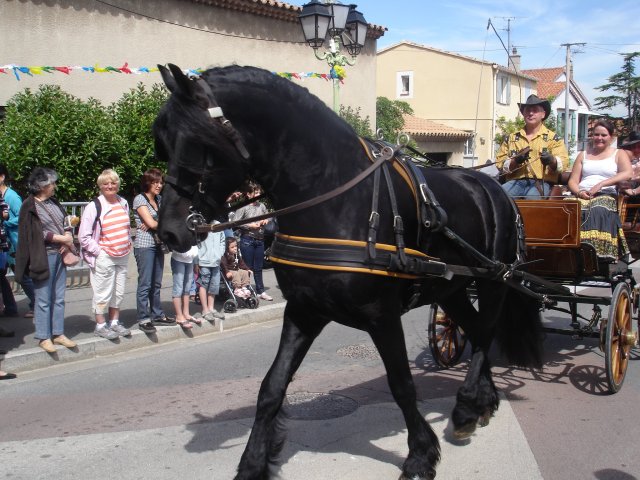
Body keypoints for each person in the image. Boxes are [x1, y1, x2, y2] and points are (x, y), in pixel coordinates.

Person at [15, 167, 77, 353]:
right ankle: (43, 336)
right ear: (41, 186)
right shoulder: (29, 205)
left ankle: (58, 334)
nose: (54, 186)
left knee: (59, 298)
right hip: (43, 256)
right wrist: (60, 239)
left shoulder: (53, 202)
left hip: (59, 254)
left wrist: (68, 233)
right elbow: (32, 233)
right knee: (43, 299)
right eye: (52, 183)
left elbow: (64, 221)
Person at [567, 119, 632, 261]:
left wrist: (602, 184)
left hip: (605, 194)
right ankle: (567, 251)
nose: (599, 138)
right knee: (567, 208)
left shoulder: (618, 153)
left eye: (604, 135)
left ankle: (596, 253)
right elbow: (573, 180)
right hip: (582, 193)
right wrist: (578, 192)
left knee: (597, 209)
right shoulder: (583, 154)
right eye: (596, 135)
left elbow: (627, 173)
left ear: (611, 137)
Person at [78, 169, 132, 340]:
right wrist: (99, 251)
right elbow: (83, 236)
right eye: (106, 183)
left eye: (113, 182)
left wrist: (127, 243)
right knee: (102, 292)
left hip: (122, 254)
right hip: (105, 256)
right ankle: (100, 325)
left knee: (119, 292)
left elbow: (126, 227)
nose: (110, 186)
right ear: (100, 186)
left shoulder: (123, 202)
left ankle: (115, 323)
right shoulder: (94, 206)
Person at [496, 94, 569, 198]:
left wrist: (551, 160)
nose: (530, 113)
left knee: (532, 199)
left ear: (543, 114)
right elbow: (499, 164)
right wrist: (515, 161)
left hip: (542, 182)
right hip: (515, 182)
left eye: (535, 110)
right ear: (523, 113)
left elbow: (564, 164)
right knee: (498, 196)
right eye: (527, 110)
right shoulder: (511, 138)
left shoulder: (554, 139)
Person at [133, 168, 174, 334]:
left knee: (156, 283)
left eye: (160, 182)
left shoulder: (160, 199)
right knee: (145, 283)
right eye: (155, 182)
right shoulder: (139, 199)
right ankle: (144, 318)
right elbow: (153, 223)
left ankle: (157, 314)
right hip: (144, 245)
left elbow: (168, 217)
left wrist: (155, 221)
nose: (159, 185)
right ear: (147, 183)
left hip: (158, 244)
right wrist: (155, 221)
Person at [0, 163, 35, 318]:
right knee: (1, 277)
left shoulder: (11, 196)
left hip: (14, 243)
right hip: (4, 243)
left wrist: (4, 223)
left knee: (22, 276)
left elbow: (23, 216)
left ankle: (37, 304)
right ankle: (10, 307)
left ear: (2, 177)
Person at [233, 181, 273, 301]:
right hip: (247, 239)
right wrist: (250, 225)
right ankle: (247, 289)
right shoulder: (243, 207)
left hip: (260, 239)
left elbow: (269, 215)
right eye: (256, 193)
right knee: (248, 267)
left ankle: (261, 291)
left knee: (259, 267)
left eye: (259, 192)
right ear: (249, 194)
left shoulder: (262, 206)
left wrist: (266, 220)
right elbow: (235, 222)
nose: (258, 195)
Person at [194, 225, 226, 323]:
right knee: (204, 284)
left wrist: (220, 254)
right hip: (204, 261)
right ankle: (205, 310)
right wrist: (196, 261)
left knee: (214, 285)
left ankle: (211, 307)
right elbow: (196, 243)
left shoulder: (218, 224)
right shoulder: (200, 223)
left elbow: (222, 241)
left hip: (216, 261)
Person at [170, 245, 200, 329]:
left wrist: (196, 262)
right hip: (178, 258)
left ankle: (186, 313)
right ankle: (179, 316)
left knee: (187, 288)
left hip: (190, 259)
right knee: (178, 288)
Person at [620, 131, 640, 196]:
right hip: (627, 194)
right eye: (633, 147)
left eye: (639, 146)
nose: (636, 150)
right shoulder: (626, 161)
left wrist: (635, 191)